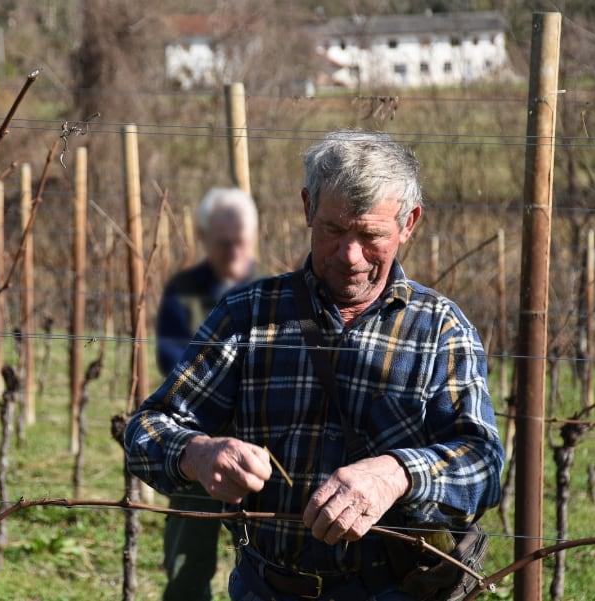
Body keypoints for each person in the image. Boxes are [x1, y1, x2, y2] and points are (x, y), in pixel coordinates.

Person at [125, 130, 504, 600]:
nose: (349, 255)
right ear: (307, 208)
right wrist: (197, 453)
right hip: (266, 588)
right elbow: (147, 429)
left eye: (371, 236)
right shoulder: (248, 316)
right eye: (333, 230)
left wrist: (396, 474)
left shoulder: (440, 329)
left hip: (393, 591)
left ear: (409, 224)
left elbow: (484, 466)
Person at [156, 187, 259, 601]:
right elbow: (172, 363)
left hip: (258, 449)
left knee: (260, 556)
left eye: (241, 241)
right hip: (199, 439)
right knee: (189, 552)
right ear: (205, 239)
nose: (234, 251)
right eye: (223, 243)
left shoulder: (273, 292)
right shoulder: (184, 290)